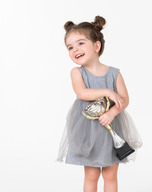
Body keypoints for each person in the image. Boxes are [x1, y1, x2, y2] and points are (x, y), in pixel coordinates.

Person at [56, 15, 143, 192]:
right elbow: (82, 93)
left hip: (112, 130)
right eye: (70, 47)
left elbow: (124, 99)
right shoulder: (77, 73)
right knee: (92, 175)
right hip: (89, 131)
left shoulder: (114, 73)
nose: (75, 49)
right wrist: (107, 92)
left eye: (80, 43)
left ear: (97, 45)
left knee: (110, 174)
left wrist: (112, 113)